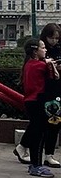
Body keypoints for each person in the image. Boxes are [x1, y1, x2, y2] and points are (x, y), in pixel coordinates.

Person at [18, 38, 56, 177]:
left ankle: (35, 164)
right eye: (43, 47)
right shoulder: (39, 65)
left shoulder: (29, 64)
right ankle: (36, 166)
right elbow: (53, 75)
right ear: (35, 51)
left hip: (31, 102)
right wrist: (50, 63)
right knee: (39, 135)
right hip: (38, 101)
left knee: (36, 133)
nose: (45, 50)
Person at [38, 23, 61, 167]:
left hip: (57, 89)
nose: (54, 41)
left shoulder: (59, 49)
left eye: (57, 38)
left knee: (55, 121)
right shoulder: (40, 51)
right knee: (41, 123)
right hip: (45, 91)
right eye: (51, 38)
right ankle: (36, 154)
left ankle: (49, 154)